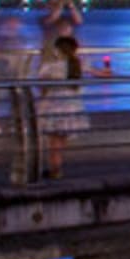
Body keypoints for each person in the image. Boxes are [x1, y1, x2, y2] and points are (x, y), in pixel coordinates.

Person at [35, 35, 89, 179]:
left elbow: (40, 84)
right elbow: (97, 73)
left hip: (55, 107)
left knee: (54, 143)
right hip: (71, 108)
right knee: (60, 143)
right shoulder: (78, 65)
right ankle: (56, 168)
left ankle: (55, 170)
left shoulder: (52, 67)